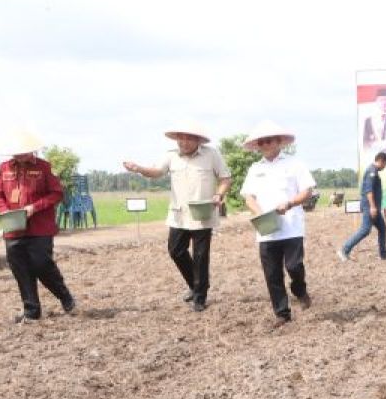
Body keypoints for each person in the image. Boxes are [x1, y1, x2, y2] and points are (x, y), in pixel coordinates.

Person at [122, 122, 232, 312]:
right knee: (175, 250)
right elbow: (156, 172)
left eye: (189, 138)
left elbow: (225, 178)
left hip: (203, 212)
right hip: (178, 213)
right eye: (181, 137)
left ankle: (199, 297)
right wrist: (139, 168)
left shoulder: (211, 154)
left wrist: (219, 194)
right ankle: (195, 284)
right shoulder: (171, 155)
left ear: (198, 140)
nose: (184, 141)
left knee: (200, 256)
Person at [0, 131, 77, 322]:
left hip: (40, 227)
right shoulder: (3, 168)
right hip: (13, 227)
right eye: (15, 152)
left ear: (30, 151)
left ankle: (65, 296)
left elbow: (57, 194)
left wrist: (34, 207)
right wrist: (4, 210)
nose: (18, 155)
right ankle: (31, 310)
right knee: (19, 267)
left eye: (22, 152)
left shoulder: (45, 168)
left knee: (41, 263)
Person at [241, 120, 317, 329]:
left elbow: (307, 191)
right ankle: (282, 313)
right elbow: (248, 196)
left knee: (294, 266)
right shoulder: (255, 169)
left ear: (279, 142)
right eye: (261, 142)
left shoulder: (295, 164)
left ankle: (300, 290)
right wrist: (259, 212)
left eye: (269, 140)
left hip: (292, 226)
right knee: (272, 273)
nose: (265, 144)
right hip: (266, 228)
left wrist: (291, 202)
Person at [338, 151, 386, 262]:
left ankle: (384, 255)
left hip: (374, 207)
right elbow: (369, 191)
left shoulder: (374, 171)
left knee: (382, 228)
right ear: (381, 161)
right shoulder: (371, 172)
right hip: (370, 207)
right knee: (365, 230)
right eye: (385, 164)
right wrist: (372, 207)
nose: (385, 167)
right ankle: (344, 249)